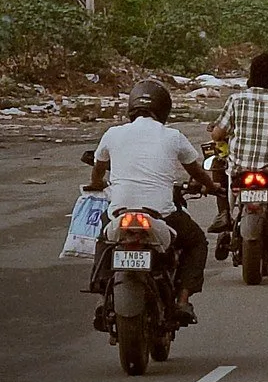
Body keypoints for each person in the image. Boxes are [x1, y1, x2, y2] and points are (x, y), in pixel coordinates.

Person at [84, 79, 216, 327]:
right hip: (160, 214)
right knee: (196, 241)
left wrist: (97, 183)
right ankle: (182, 300)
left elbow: (98, 169)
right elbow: (196, 170)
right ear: (164, 108)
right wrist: (211, 186)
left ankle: (103, 295)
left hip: (119, 211)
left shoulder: (113, 134)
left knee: (104, 238)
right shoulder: (173, 136)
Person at [206, 51, 268, 237]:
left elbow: (218, 135)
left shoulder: (235, 100)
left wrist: (215, 131)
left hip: (238, 169)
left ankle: (223, 214)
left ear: (250, 74)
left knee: (217, 161)